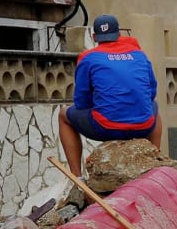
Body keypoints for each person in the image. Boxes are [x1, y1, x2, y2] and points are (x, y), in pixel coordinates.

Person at [57, 15, 162, 177]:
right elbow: (151, 92)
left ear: (94, 37)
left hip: (106, 127)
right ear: (119, 34)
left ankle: (76, 178)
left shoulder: (88, 58)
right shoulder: (139, 54)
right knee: (154, 107)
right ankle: (156, 163)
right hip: (144, 126)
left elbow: (81, 101)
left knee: (64, 114)